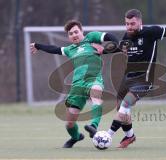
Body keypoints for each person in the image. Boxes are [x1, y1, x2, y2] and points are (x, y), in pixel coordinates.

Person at [97, 9, 166, 148]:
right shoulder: (127, 36)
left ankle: (107, 136)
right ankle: (130, 136)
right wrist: (103, 50)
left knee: (125, 106)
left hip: (144, 80)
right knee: (121, 109)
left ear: (140, 22)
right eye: (127, 24)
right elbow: (121, 48)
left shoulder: (151, 32)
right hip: (127, 78)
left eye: (132, 23)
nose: (129, 27)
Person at [30, 20, 119, 148]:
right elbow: (54, 49)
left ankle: (93, 126)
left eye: (76, 32)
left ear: (81, 31)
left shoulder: (91, 38)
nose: (74, 35)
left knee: (96, 94)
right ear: (69, 37)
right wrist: (38, 45)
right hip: (77, 86)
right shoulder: (70, 49)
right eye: (71, 34)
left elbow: (111, 38)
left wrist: (105, 50)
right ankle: (76, 137)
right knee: (69, 123)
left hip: (93, 79)